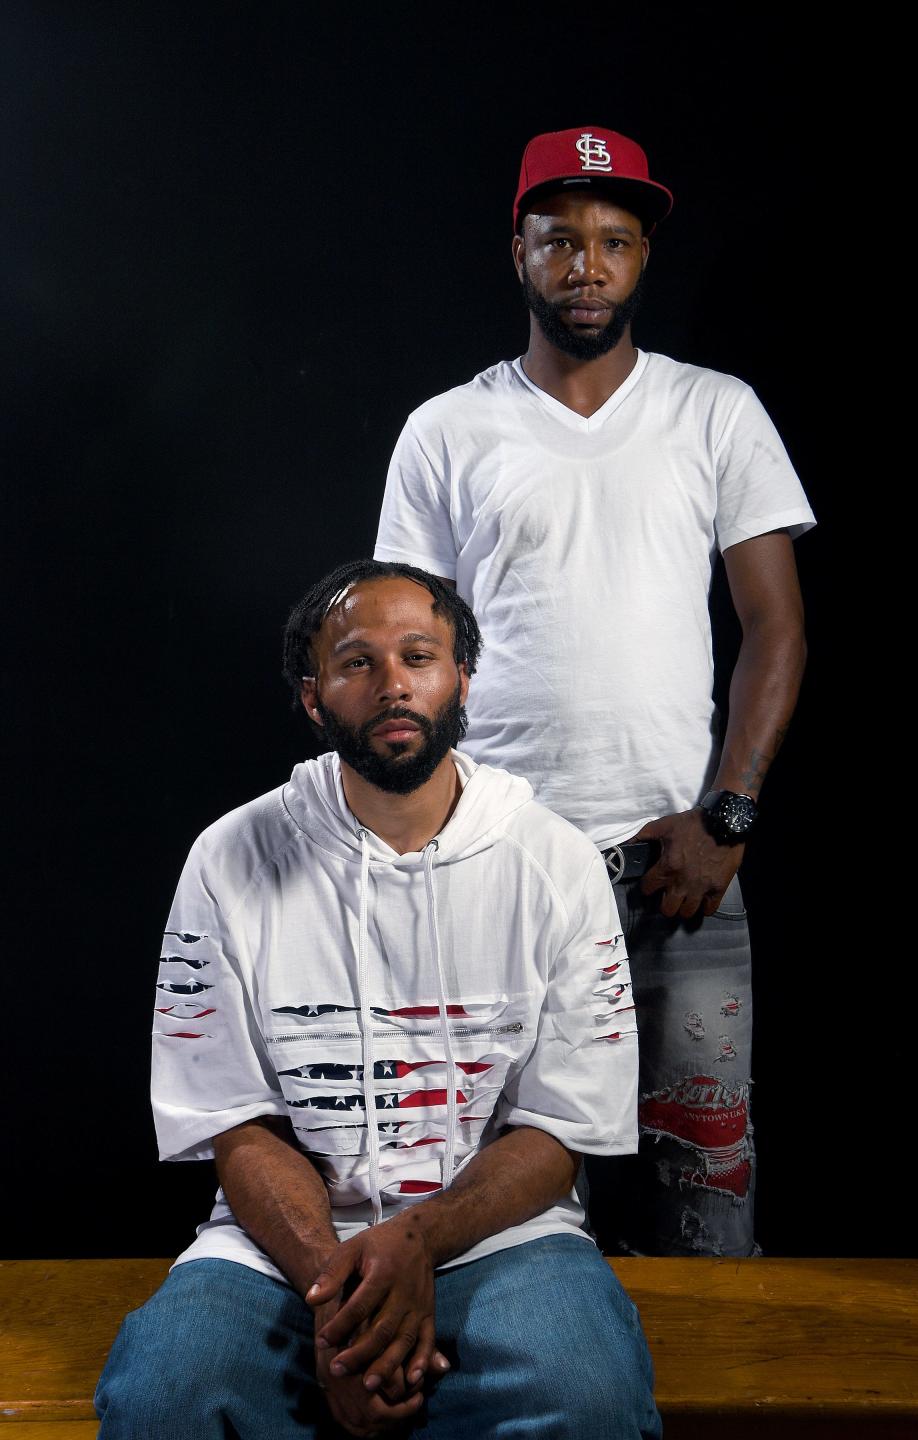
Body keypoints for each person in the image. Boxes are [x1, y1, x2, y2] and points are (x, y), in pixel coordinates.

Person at [374, 126, 816, 1259]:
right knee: (485, 1203)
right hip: (498, 867)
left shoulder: (715, 412)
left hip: (684, 869)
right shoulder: (448, 429)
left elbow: (775, 626)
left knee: (703, 1190)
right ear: (516, 250)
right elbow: (408, 649)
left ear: (643, 259)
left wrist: (729, 820)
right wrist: (434, 841)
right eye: (559, 239)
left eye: (614, 241)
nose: (586, 265)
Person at [94, 559, 661, 1439]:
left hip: (502, 1238)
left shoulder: (556, 864)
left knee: (586, 1395)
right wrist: (337, 1297)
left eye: (419, 656)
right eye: (358, 663)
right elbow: (238, 1122)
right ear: (314, 697)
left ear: (463, 677)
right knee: (164, 1396)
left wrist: (420, 1242)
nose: (394, 684)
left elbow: (559, 1132)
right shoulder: (229, 858)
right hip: (280, 1254)